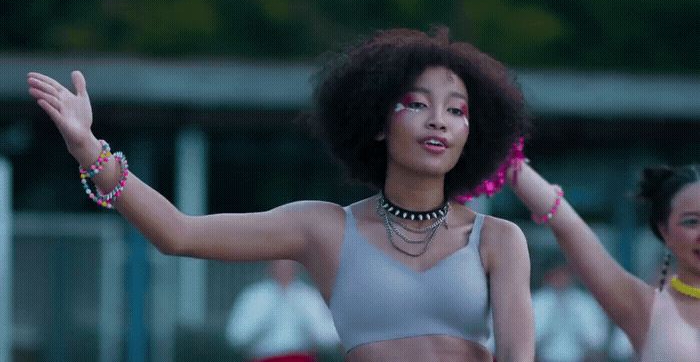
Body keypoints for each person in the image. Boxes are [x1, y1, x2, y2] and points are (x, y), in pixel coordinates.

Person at [27, 26, 534, 361]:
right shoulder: (325, 229)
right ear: (377, 124)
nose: (438, 121)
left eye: (456, 110)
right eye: (417, 103)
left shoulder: (498, 239)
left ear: (472, 134)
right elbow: (178, 233)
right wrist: (89, 149)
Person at [509, 162, 700, 361]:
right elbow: (568, 226)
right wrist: (508, 160)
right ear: (665, 231)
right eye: (691, 221)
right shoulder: (647, 309)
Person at [225, 260, 340, 362]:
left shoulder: (310, 297)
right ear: (270, 266)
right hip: (263, 357)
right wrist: (266, 315)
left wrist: (306, 317)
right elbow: (236, 338)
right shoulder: (253, 296)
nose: (284, 269)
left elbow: (331, 338)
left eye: (289, 264)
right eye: (279, 264)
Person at [531, 261, 608, 362]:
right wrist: (553, 312)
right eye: (556, 275)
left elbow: (597, 341)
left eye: (564, 275)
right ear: (549, 276)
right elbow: (531, 339)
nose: (561, 279)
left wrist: (573, 314)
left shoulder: (585, 303)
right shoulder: (537, 302)